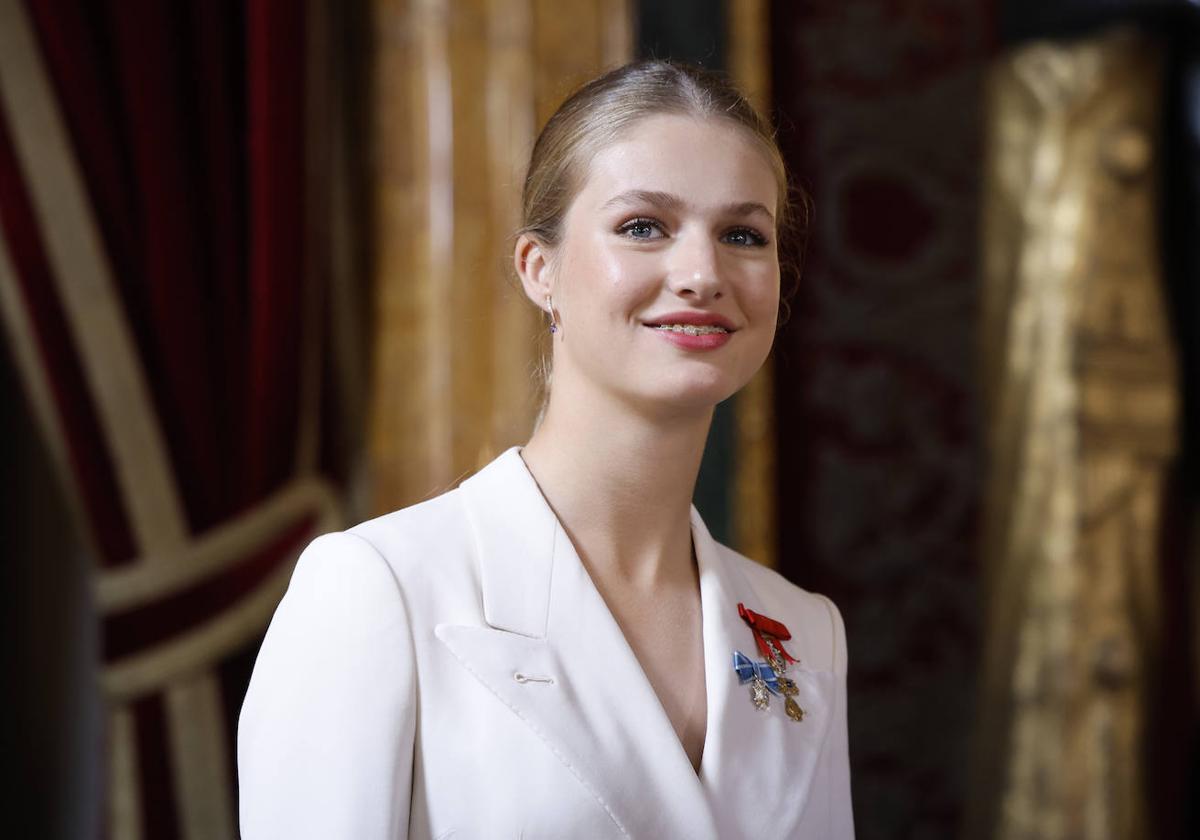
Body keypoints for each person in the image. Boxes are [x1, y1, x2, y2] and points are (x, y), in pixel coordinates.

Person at [238, 60, 853, 840]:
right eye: (643, 227)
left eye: (742, 234)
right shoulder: (380, 590)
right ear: (540, 269)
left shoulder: (802, 630)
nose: (702, 273)